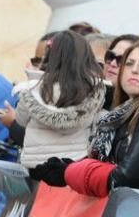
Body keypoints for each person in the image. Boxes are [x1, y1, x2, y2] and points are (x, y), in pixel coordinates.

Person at [38, 38, 139, 195]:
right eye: (129, 63)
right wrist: (71, 167)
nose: (134, 70)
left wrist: (70, 172)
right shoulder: (121, 113)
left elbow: (126, 177)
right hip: (127, 208)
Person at [12, 30, 105, 169]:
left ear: (49, 55)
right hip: (74, 165)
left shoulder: (32, 88)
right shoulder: (95, 90)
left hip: (36, 166)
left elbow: (20, 120)